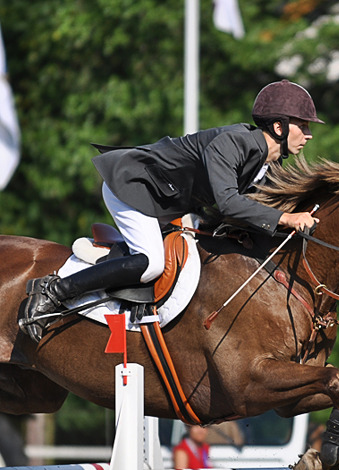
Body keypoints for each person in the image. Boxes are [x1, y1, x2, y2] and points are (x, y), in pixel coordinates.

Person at [20, 79, 323, 342]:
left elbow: (246, 212)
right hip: (133, 186)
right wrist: (285, 218)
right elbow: (230, 204)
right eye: (304, 125)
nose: (308, 134)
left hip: (164, 201)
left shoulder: (265, 164)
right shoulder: (233, 142)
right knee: (151, 263)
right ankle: (54, 292)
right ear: (280, 126)